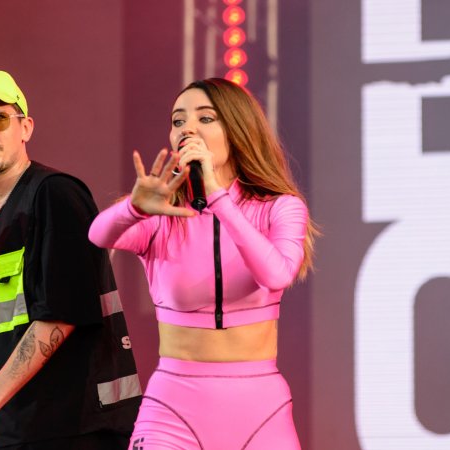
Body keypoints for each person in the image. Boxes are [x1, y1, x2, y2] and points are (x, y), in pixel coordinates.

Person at [89, 77, 318, 449]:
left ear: (238, 130)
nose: (188, 129)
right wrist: (133, 208)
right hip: (173, 406)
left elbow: (276, 274)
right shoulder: (163, 213)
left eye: (205, 118)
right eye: (178, 121)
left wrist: (217, 196)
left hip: (260, 411)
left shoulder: (280, 208)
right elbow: (99, 235)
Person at [0, 67, 141, 450]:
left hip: (67, 431)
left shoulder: (55, 194)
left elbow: (62, 315)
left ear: (25, 128)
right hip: (3, 433)